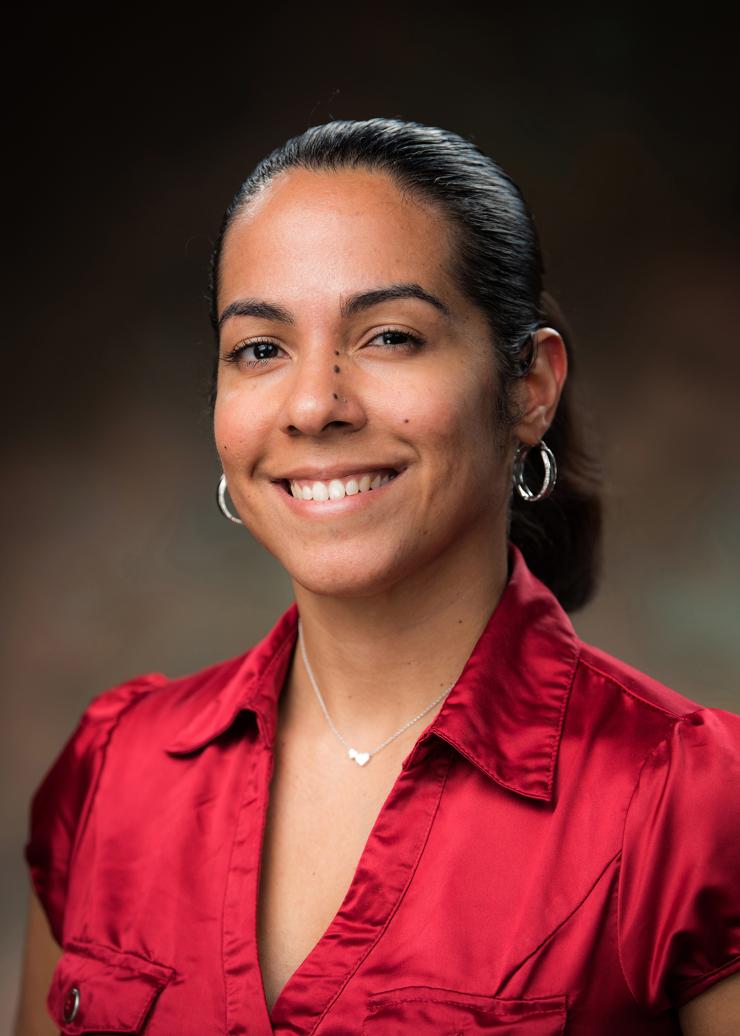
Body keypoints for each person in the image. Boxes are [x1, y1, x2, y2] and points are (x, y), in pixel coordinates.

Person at [15, 119, 740, 1035]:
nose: (315, 403)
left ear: (529, 389)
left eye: (391, 336)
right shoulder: (112, 772)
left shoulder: (695, 801)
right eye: (261, 349)